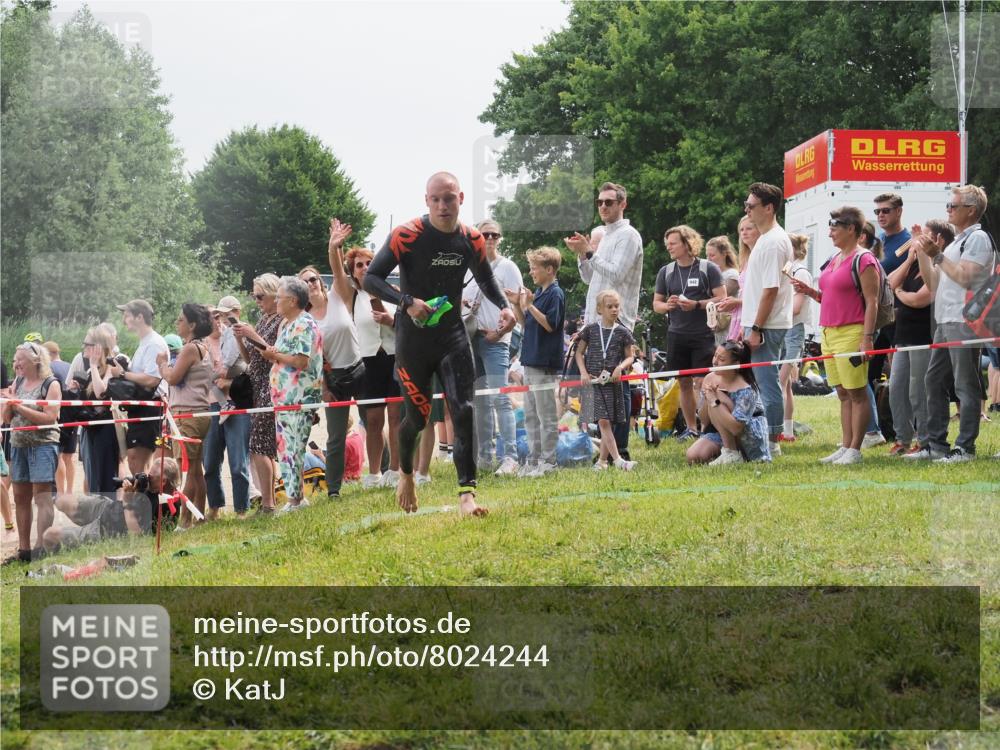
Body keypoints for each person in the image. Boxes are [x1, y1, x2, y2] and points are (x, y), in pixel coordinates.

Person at [363, 171, 515, 517]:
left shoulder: (472, 239)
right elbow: (371, 278)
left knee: (464, 410)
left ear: (460, 199)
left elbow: (486, 279)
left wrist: (505, 306)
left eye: (449, 198)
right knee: (416, 420)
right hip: (413, 340)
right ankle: (406, 475)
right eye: (436, 199)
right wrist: (406, 302)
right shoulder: (406, 235)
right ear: (427, 201)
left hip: (452, 337)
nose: (443, 205)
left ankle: (467, 495)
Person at [911, 185, 994, 463]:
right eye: (948, 205)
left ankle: (965, 448)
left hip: (964, 321)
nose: (948, 210)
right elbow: (934, 283)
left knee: (965, 384)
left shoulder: (978, 239)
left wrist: (937, 255)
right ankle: (936, 445)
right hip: (945, 320)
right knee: (933, 380)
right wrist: (924, 253)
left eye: (953, 206)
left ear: (971, 210)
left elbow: (966, 279)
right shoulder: (956, 242)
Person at [792, 207, 880, 465]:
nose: (830, 232)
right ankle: (845, 445)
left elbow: (872, 302)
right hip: (828, 332)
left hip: (852, 332)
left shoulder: (864, 260)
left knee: (856, 392)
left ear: (851, 229)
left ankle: (855, 449)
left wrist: (867, 337)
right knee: (842, 392)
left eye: (834, 227)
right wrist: (810, 292)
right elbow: (831, 297)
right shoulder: (834, 258)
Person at [564, 182, 644, 459]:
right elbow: (590, 277)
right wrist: (582, 255)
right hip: (595, 321)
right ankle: (608, 449)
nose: (603, 206)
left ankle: (620, 449)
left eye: (609, 202)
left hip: (617, 319)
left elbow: (616, 274)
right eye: (599, 202)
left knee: (616, 381)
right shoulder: (606, 235)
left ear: (623, 204)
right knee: (601, 382)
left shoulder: (628, 236)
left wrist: (589, 252)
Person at [301, 222, 364, 499]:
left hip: (359, 369)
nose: (310, 284)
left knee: (373, 422)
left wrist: (334, 246)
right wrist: (324, 388)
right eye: (304, 282)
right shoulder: (304, 320)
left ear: (321, 282)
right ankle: (334, 490)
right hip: (333, 379)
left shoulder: (338, 296)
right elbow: (311, 361)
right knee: (336, 436)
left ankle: (383, 472)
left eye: (313, 279)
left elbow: (339, 270)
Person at [653, 225, 726, 440]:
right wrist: (668, 306)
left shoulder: (707, 268)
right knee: (683, 383)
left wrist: (696, 305)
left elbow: (722, 298)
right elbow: (656, 304)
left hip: (702, 334)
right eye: (667, 244)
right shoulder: (666, 271)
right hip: (676, 335)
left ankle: (707, 427)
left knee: (702, 382)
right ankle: (691, 428)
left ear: (687, 244)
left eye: (673, 243)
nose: (669, 247)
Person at [463, 219, 521, 475]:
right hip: (472, 338)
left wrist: (498, 334)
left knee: (501, 398)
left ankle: (510, 456)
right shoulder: (467, 268)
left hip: (497, 341)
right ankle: (485, 455)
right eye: (484, 234)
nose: (489, 239)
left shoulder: (508, 267)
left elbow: (517, 308)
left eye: (494, 235)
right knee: (480, 400)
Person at [739, 182, 794, 455]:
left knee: (767, 384)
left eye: (751, 205)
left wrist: (756, 327)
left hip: (766, 325)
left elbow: (771, 290)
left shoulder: (773, 242)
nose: (747, 210)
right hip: (760, 322)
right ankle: (765, 435)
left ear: (769, 208)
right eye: (746, 205)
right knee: (760, 383)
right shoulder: (767, 239)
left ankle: (772, 440)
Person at [506, 245, 565, 477]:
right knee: (531, 415)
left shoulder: (555, 294)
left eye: (534, 268)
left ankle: (548, 461)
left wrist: (529, 305)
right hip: (530, 361)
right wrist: (516, 304)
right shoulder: (539, 293)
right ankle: (534, 459)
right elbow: (525, 324)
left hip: (543, 363)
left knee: (546, 415)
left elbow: (550, 324)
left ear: (549, 269)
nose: (531, 272)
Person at [265, 276, 324, 511]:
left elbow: (300, 361)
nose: (276, 301)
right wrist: (274, 354)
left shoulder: (303, 323)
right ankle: (294, 498)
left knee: (294, 448)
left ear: (292, 300)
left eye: (279, 297)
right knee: (285, 448)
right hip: (284, 398)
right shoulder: (289, 324)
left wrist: (274, 356)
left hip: (298, 397)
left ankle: (296, 500)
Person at [346, 245, 402, 489]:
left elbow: (409, 324)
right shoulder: (352, 297)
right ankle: (374, 473)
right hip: (368, 361)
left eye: (369, 263)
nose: (365, 268)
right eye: (359, 265)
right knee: (373, 419)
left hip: (395, 358)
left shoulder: (393, 292)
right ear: (353, 272)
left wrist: (392, 320)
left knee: (396, 417)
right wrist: (335, 246)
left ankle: (396, 470)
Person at [888, 220, 944, 456]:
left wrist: (900, 292)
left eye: (924, 236)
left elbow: (920, 299)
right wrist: (909, 259)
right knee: (896, 389)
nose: (918, 241)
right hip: (903, 335)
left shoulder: (937, 269)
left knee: (918, 391)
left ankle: (925, 441)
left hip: (923, 336)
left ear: (938, 241)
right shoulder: (913, 265)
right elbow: (889, 283)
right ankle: (902, 439)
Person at [41, 458, 180, 553]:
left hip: (106, 529)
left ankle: (49, 552)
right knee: (63, 501)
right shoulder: (161, 491)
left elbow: (136, 535)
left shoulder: (162, 507)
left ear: (163, 481)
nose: (147, 478)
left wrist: (127, 499)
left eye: (151, 476)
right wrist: (133, 488)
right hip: (109, 507)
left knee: (49, 535)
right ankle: (45, 499)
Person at [1, 342, 61, 563]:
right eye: (15, 360)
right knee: (20, 496)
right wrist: (9, 405)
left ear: (35, 361)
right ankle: (24, 550)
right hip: (18, 445)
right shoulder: (17, 382)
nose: (15, 364)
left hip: (43, 445)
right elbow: (7, 419)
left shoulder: (51, 384)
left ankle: (41, 547)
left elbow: (49, 418)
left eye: (20, 360)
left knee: (42, 496)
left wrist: (18, 406)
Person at [157, 303, 214, 524]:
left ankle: (185, 521)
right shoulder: (202, 346)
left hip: (187, 414)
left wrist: (162, 365)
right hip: (198, 412)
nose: (177, 323)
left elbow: (172, 378)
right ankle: (199, 516)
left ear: (192, 325)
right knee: (196, 468)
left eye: (181, 319)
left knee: (188, 468)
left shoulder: (190, 349)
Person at [233, 273, 282, 514]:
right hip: (257, 384)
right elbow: (250, 359)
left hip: (270, 385)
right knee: (262, 446)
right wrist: (241, 339)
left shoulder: (281, 320)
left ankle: (268, 503)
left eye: (260, 296)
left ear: (274, 294)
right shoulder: (264, 319)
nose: (257, 301)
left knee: (260, 445)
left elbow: (272, 353)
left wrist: (252, 335)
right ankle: (268, 501)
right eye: (255, 296)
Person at [575, 290, 637, 471]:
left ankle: (602, 462)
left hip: (612, 384)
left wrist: (620, 367)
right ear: (600, 309)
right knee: (603, 422)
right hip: (594, 383)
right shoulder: (590, 330)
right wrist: (583, 372)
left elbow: (630, 357)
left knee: (607, 423)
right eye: (609, 306)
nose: (614, 309)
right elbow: (579, 353)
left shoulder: (623, 332)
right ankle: (618, 461)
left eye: (617, 306)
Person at [203, 298, 252, 518]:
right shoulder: (200, 343)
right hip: (212, 405)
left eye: (220, 315)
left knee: (238, 462)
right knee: (210, 462)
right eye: (214, 316)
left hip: (238, 403)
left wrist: (228, 381)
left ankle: (241, 510)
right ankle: (215, 507)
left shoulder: (237, 333)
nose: (217, 320)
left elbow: (248, 366)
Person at [686, 340, 771, 465]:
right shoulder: (710, 378)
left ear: (736, 363)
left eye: (721, 359)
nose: (715, 362)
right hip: (721, 430)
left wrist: (715, 399)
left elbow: (736, 428)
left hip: (748, 435)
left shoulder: (746, 388)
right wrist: (707, 397)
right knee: (694, 456)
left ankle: (732, 453)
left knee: (718, 397)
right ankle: (727, 452)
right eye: (715, 356)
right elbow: (704, 421)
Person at [109, 299, 167, 476]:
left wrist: (122, 374)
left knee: (136, 460)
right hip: (142, 406)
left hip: (149, 407)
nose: (123, 320)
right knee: (139, 463)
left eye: (127, 315)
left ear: (140, 317)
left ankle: (143, 494)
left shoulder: (153, 343)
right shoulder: (146, 342)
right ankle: (145, 493)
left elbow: (152, 379)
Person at [70, 326, 120, 497]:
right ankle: (97, 510)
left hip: (105, 431)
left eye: (87, 344)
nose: (83, 347)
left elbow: (101, 393)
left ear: (98, 347)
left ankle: (107, 510)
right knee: (92, 476)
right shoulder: (92, 370)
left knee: (104, 477)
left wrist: (93, 364)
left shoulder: (111, 367)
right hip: (90, 430)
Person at [777, 233, 815, 442]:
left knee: (780, 383)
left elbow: (796, 307)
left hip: (793, 331)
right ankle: (788, 431)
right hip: (782, 330)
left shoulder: (800, 273)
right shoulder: (786, 270)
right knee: (785, 385)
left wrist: (772, 311)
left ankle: (777, 430)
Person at [43, 340, 78, 496]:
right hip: (74, 415)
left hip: (60, 415)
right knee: (69, 456)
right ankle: (69, 491)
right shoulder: (70, 366)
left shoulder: (49, 368)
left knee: (58, 456)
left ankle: (61, 493)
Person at [718, 216, 761, 342]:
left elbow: (765, 294)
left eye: (749, 228)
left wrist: (737, 302)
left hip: (754, 319)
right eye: (741, 230)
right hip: (742, 316)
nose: (744, 232)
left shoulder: (760, 256)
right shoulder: (747, 259)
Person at [705, 236, 740, 346]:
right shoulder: (710, 276)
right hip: (716, 328)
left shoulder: (732, 275)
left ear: (724, 254)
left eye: (712, 255)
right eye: (707, 256)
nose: (708, 259)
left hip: (729, 328)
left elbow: (722, 297)